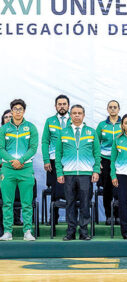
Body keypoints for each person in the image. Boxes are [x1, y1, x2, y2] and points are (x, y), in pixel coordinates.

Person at [56, 104, 100, 241]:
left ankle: (84, 232)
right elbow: (58, 154)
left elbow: (97, 153)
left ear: (83, 115)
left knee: (85, 203)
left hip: (86, 173)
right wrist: (59, 172)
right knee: (70, 203)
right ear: (70, 115)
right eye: (74, 113)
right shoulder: (63, 132)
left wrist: (96, 170)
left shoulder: (91, 132)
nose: (76, 115)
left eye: (79, 113)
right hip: (68, 173)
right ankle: (70, 231)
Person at [0, 99, 38, 241]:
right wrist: (12, 161)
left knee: (26, 202)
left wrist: (20, 161)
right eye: (15, 109)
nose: (17, 111)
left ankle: (27, 231)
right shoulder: (4, 129)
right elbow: (1, 148)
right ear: (11, 111)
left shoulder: (31, 127)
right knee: (7, 202)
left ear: (24, 111)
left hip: (25, 169)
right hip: (8, 169)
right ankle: (7, 232)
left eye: (20, 109)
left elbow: (33, 148)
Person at [41, 94, 71, 224]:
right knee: (54, 189)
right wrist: (46, 160)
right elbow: (44, 141)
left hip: (70, 160)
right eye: (59, 104)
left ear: (68, 106)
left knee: (71, 189)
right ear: (55, 106)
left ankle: (72, 218)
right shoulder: (50, 121)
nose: (62, 106)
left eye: (64, 104)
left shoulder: (75, 119)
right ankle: (53, 218)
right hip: (53, 160)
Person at [96, 100, 122, 225]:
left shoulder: (124, 123)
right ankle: (109, 215)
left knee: (119, 188)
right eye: (110, 107)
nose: (113, 109)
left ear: (118, 109)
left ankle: (118, 215)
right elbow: (95, 144)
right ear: (107, 109)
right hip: (105, 160)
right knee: (107, 189)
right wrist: (98, 160)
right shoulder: (102, 125)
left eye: (115, 107)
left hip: (120, 160)